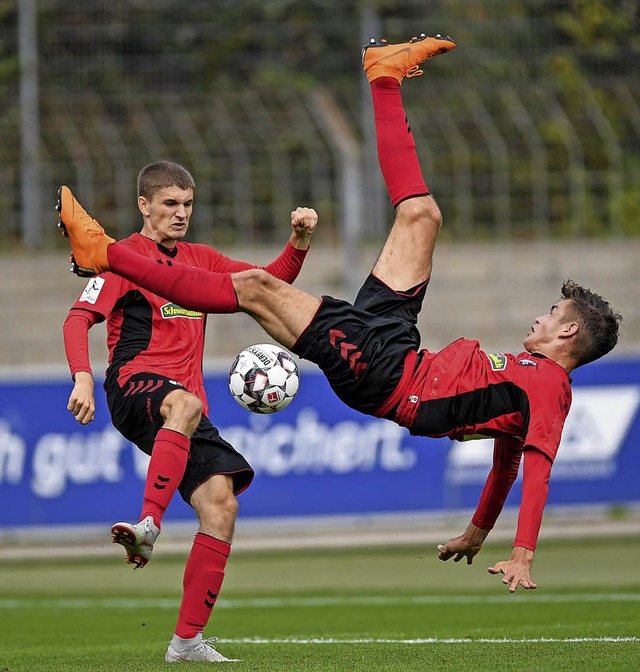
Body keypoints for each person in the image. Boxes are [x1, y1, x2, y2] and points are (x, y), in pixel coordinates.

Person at [58, 34, 622, 596]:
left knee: (253, 287)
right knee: (422, 216)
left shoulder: (548, 385)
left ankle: (103, 252)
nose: (541, 318)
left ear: (568, 331)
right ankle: (384, 78)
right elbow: (505, 467)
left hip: (385, 373)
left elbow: (537, 470)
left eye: (553, 314)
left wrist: (523, 553)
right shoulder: (527, 384)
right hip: (400, 345)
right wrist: (477, 534)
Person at [61, 160, 317, 663]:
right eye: (170, 204)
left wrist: (299, 243)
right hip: (135, 386)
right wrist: (83, 376)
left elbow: (265, 285)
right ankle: (149, 526)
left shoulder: (199, 258)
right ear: (144, 205)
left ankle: (186, 643)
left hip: (185, 411)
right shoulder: (122, 259)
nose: (181, 214)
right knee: (186, 402)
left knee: (221, 505)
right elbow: (77, 320)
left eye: (187, 204)